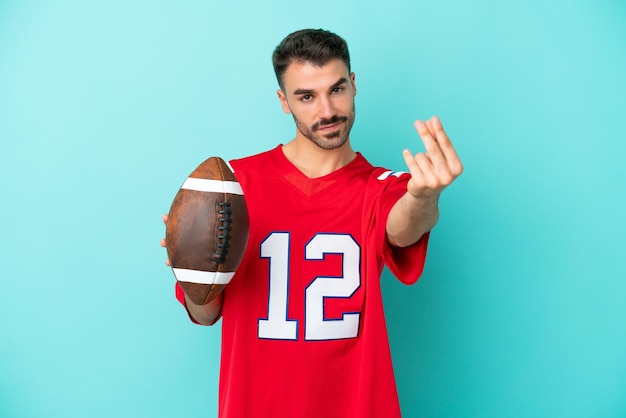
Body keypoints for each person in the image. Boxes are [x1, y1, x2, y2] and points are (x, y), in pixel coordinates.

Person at [162, 28, 462, 418]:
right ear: (283, 101)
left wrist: (425, 196)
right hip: (254, 406)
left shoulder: (382, 187)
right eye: (306, 96)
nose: (327, 111)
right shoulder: (234, 187)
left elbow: (403, 225)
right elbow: (205, 314)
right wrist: (194, 273)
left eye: (337, 89)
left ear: (353, 86)